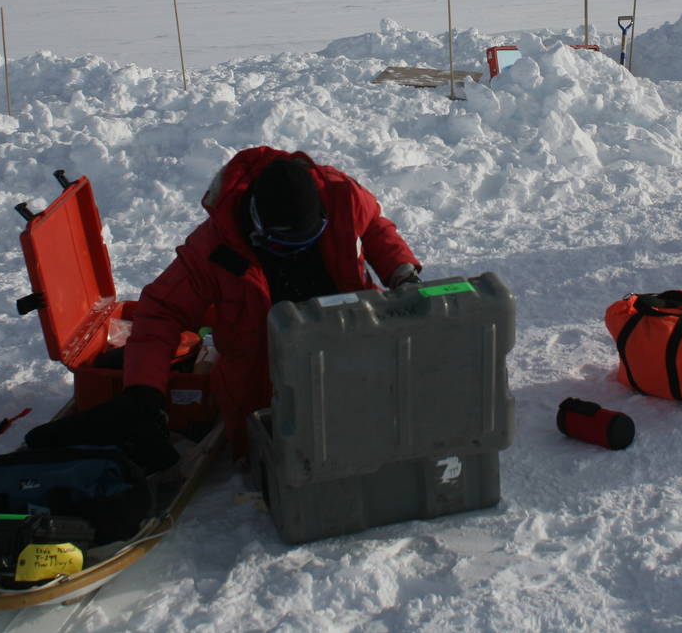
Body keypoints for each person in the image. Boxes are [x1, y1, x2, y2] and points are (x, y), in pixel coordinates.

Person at [27, 147, 422, 463]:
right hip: (265, 388)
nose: (297, 253)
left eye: (308, 241)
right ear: (257, 227)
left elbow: (374, 226)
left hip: (353, 349)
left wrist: (401, 270)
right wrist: (143, 393)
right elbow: (160, 311)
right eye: (285, 246)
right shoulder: (217, 246)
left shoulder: (341, 196)